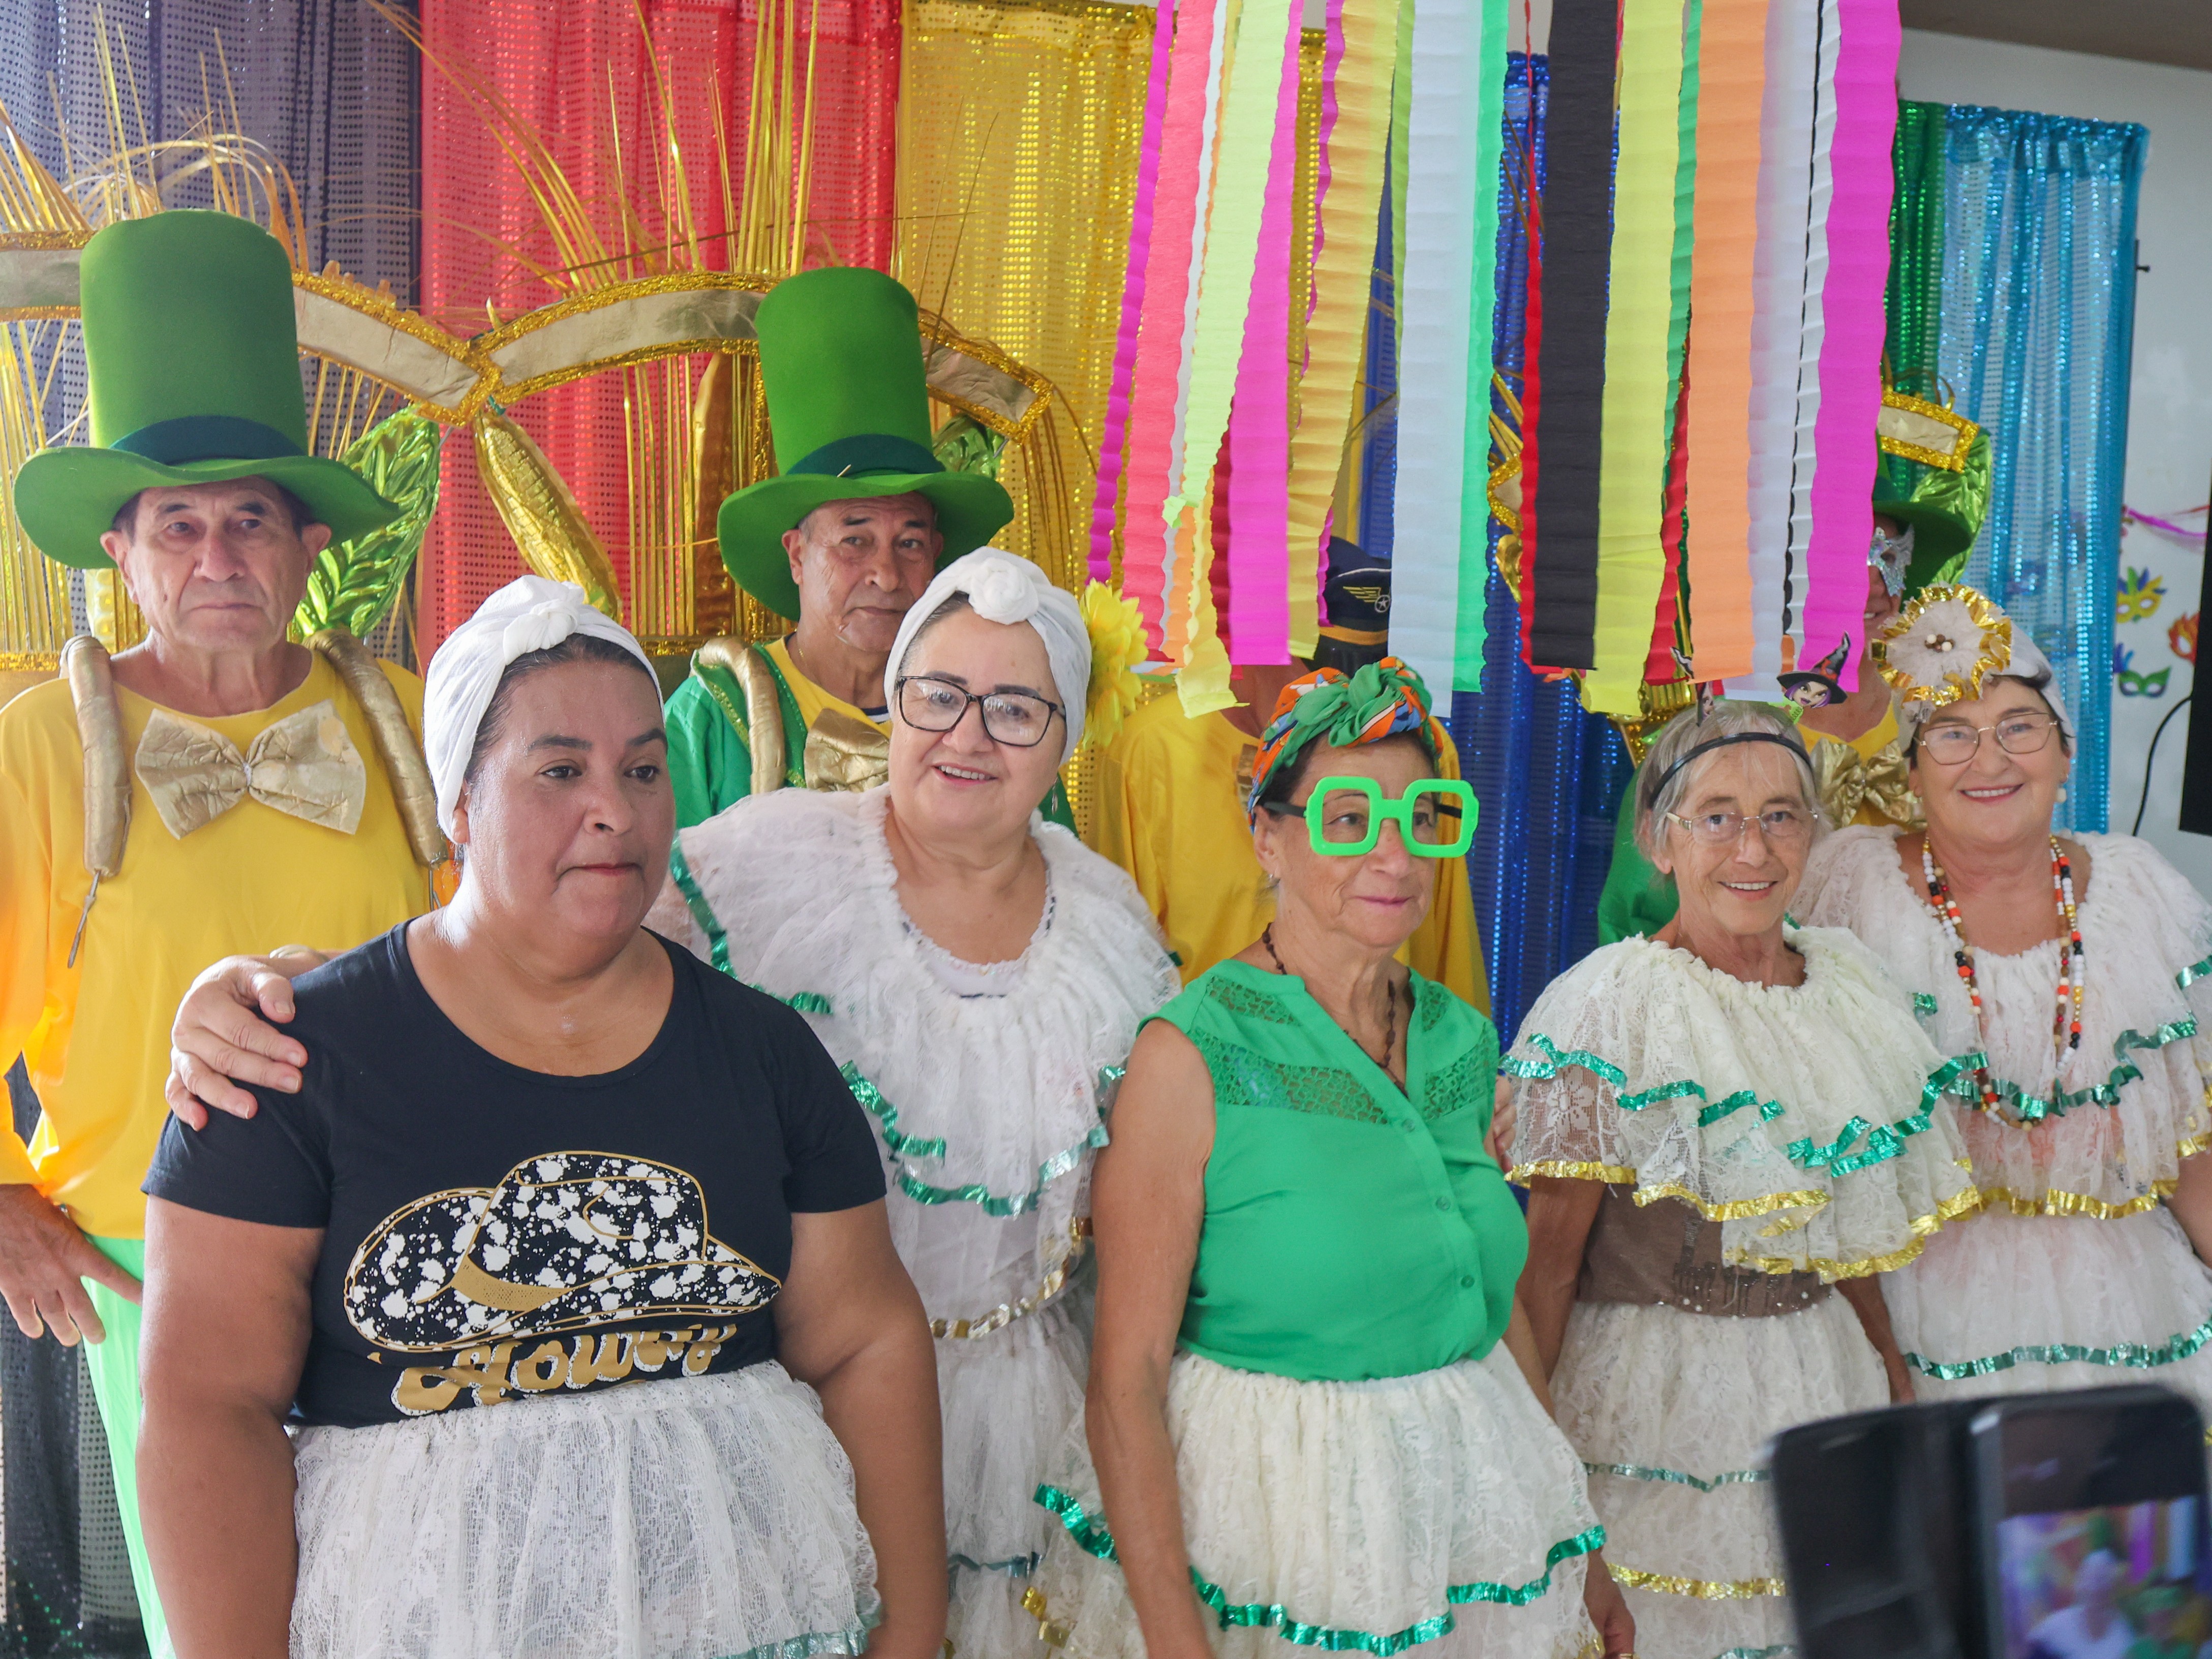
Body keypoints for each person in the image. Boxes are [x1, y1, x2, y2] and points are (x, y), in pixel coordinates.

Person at [137, 576, 942, 1659]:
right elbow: (206, 1410)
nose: (613, 809)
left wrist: (912, 1633)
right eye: (559, 769)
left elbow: (866, 1341)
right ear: (457, 804)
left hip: (751, 1619)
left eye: (642, 770)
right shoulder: (285, 1063)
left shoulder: (763, 1054)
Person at [0, 208, 441, 1654]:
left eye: (248, 517)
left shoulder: (408, 722)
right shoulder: (39, 752)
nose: (216, 554)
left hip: (403, 1260)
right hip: (154, 1272)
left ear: (309, 539)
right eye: (176, 525)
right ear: (122, 553)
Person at [1030, 659, 1633, 1659]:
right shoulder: (1189, 1057)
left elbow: (1493, 1316)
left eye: (1419, 818)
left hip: (1466, 1522)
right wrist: (1177, 1640)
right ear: (1267, 836)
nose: (1392, 858)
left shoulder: (1460, 1038)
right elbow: (1125, 1374)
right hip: (1279, 1537)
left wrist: (1582, 1553)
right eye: (1348, 819)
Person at [1507, 699, 1978, 1659]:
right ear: (1659, 839)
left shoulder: (1846, 985)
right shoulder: (1609, 1003)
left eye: (1781, 814)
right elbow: (1545, 1269)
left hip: (1816, 1373)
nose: (1752, 846)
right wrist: (1535, 1464)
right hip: (1651, 1401)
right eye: (1716, 814)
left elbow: (1850, 1219)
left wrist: (1890, 1369)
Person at [1796, 585, 2212, 1414]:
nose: (1988, 761)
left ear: (2062, 755)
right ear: (1911, 769)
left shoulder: (2140, 890)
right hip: (1908, 1313)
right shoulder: (1846, 881)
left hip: (2129, 1311)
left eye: (2019, 727)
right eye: (1951, 733)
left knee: (2104, 1541)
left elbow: (2191, 1138)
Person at [664, 265, 1072, 830]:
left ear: (936, 554)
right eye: (854, 540)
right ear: (796, 555)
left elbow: (1053, 889)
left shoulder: (991, 715)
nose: (885, 574)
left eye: (909, 542)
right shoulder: (713, 715)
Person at [1596, 396, 1993, 944]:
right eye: (1843, 558)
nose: (1874, 583)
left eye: (1888, 556)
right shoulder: (1714, 732)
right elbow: (1637, 919)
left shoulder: (1944, 718)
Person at [1093, 542, 1489, 1005]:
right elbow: (1117, 974)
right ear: (1248, 644)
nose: (1350, 713)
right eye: (1322, 682)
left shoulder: (1427, 746)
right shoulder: (1152, 751)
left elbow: (1446, 953)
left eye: (1369, 682)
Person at [2025, 1551, 2133, 1659]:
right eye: (2090, 1579)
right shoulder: (2057, 1626)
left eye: (2102, 1580)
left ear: (2112, 1590)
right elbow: (2028, 1648)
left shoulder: (2121, 1633)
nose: (2095, 1588)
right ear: (2079, 1585)